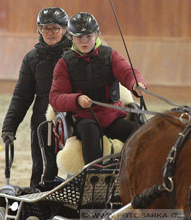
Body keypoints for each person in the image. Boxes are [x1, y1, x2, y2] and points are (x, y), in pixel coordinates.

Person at [49, 12, 146, 164]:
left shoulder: (110, 55)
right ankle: (93, 175)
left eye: (88, 36)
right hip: (84, 118)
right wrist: (77, 100)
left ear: (97, 34)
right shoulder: (64, 64)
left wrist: (136, 84)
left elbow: (127, 72)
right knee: (90, 131)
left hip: (112, 117)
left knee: (139, 133)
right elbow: (55, 98)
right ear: (72, 38)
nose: (84, 41)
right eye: (79, 37)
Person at [1, 7, 72, 188]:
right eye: (45, 28)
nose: (49, 33)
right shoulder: (31, 58)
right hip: (42, 122)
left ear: (64, 29)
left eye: (54, 28)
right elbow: (22, 95)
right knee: (42, 170)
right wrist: (10, 126)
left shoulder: (75, 56)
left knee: (75, 167)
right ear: (39, 30)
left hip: (72, 120)